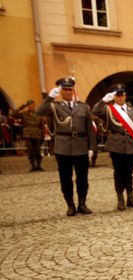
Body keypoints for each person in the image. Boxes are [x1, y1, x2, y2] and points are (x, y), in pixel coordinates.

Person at [37, 78, 96, 216]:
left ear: (73, 90)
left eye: (70, 89)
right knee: (65, 178)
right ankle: (70, 205)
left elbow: (90, 129)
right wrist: (50, 97)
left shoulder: (83, 107)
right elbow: (39, 111)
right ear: (61, 91)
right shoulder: (55, 106)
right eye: (65, 89)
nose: (68, 92)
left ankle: (82, 203)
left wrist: (92, 147)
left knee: (82, 178)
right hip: (63, 147)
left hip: (81, 146)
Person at [93, 84, 133, 211]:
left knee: (129, 173)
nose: (120, 98)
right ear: (114, 97)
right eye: (117, 95)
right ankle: (120, 199)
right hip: (116, 145)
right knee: (119, 172)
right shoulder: (108, 109)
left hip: (131, 144)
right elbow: (95, 111)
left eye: (122, 95)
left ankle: (130, 198)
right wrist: (103, 100)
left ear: (125, 96)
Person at [17, 100, 45, 172]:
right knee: (30, 151)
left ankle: (38, 165)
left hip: (38, 135)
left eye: (32, 105)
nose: (31, 106)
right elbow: (14, 114)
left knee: (38, 150)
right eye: (29, 105)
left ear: (34, 105)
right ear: (27, 106)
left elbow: (42, 125)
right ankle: (33, 166)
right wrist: (22, 106)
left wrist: (43, 135)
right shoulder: (24, 114)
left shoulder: (39, 113)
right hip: (28, 135)